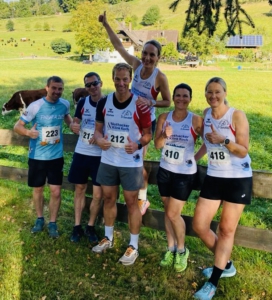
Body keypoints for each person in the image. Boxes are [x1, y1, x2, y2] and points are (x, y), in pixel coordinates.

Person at [98, 11, 171, 215]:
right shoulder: (136, 66)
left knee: (137, 161)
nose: (147, 58)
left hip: (144, 124)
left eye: (152, 55)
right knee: (120, 155)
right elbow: (118, 46)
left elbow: (168, 100)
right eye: (145, 53)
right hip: (125, 116)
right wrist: (106, 25)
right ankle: (117, 195)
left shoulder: (160, 77)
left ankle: (141, 199)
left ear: (158, 57)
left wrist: (151, 102)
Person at [193, 77, 252, 300]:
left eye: (217, 92)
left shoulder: (237, 115)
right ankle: (225, 263)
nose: (213, 96)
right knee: (199, 225)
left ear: (225, 93)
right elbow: (207, 144)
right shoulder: (207, 114)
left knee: (226, 230)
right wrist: (193, 158)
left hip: (237, 178)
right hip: (215, 176)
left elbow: (243, 150)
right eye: (209, 92)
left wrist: (224, 139)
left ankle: (213, 282)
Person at [92, 63, 152, 266]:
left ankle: (133, 245)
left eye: (125, 79)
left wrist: (137, 144)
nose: (121, 83)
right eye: (117, 79)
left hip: (130, 162)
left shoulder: (139, 104)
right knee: (108, 198)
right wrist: (99, 140)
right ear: (112, 79)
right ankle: (108, 238)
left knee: (131, 203)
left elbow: (148, 134)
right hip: (108, 159)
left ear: (130, 79)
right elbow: (98, 130)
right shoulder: (104, 102)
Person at [13, 76, 72, 238]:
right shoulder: (35, 106)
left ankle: (52, 222)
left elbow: (67, 117)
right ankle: (40, 218)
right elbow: (17, 126)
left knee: (56, 191)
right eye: (54, 88)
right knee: (38, 189)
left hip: (56, 157)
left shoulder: (65, 104)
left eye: (60, 89)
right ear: (47, 88)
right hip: (37, 156)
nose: (57, 92)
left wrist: (72, 124)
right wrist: (27, 133)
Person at [154, 83, 203, 272]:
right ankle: (170, 248)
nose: (181, 99)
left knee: (174, 213)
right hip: (165, 170)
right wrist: (165, 136)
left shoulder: (196, 120)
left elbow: (207, 142)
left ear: (190, 99)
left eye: (185, 96)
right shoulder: (164, 118)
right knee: (168, 211)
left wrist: (194, 158)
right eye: (178, 95)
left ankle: (182, 250)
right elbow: (157, 145)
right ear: (173, 98)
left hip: (184, 174)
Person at [68, 72, 103, 243]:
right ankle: (76, 226)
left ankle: (90, 226)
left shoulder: (108, 103)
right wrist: (73, 126)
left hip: (100, 156)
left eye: (94, 83)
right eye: (88, 85)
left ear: (100, 83)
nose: (92, 87)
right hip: (82, 152)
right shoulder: (82, 102)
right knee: (79, 190)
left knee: (97, 195)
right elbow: (75, 121)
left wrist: (101, 137)